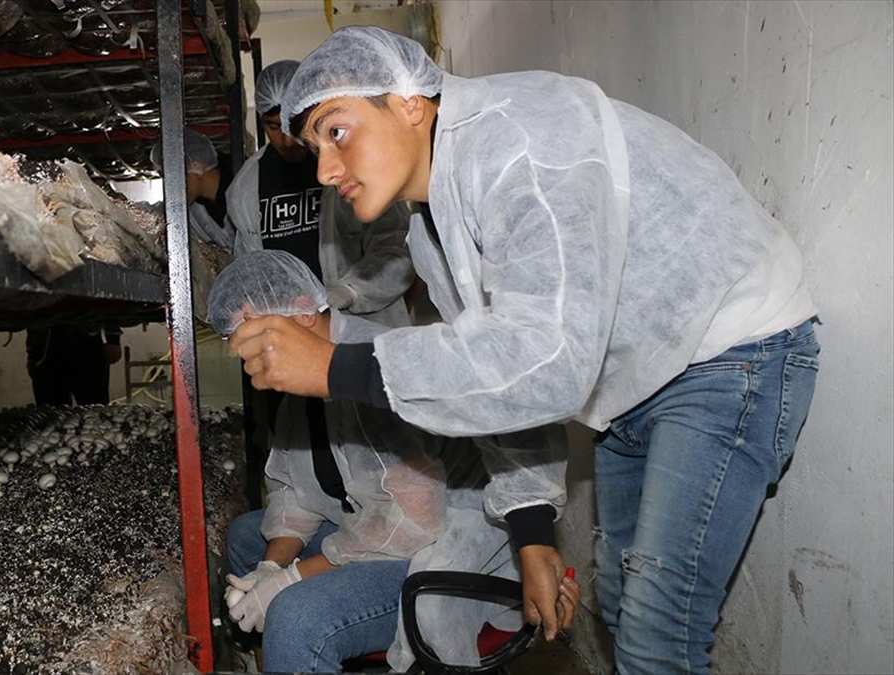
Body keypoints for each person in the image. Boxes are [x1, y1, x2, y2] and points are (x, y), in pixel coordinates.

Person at [227, 26, 820, 674]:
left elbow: (545, 358)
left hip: (730, 347)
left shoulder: (520, 142)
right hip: (637, 379)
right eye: (314, 147)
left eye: (337, 132)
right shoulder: (432, 228)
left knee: (658, 629)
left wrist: (336, 365)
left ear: (407, 102)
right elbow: (499, 387)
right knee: (621, 605)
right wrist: (532, 531)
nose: (325, 169)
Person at [209, 251, 532, 672]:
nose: (245, 353)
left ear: (303, 313)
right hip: (386, 523)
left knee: (295, 616)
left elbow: (413, 521)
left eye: (253, 333)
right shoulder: (295, 378)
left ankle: (299, 644)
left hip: (445, 546)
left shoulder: (376, 366)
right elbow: (296, 491)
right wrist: (271, 566)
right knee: (248, 536)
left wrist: (290, 581)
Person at [229, 59, 415, 328]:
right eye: (273, 126)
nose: (287, 139)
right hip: (295, 340)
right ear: (260, 121)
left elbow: (396, 244)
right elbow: (251, 269)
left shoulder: (350, 160)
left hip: (369, 331)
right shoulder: (244, 189)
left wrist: (350, 292)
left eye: (291, 124)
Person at [150, 128, 236, 249]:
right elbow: (156, 214)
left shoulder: (245, 185)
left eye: (174, 178)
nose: (173, 188)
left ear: (197, 166)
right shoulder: (193, 207)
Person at [25, 324, 122, 406]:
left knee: (95, 411)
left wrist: (113, 338)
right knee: (50, 415)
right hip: (47, 351)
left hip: (87, 346)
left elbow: (109, 303)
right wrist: (32, 354)